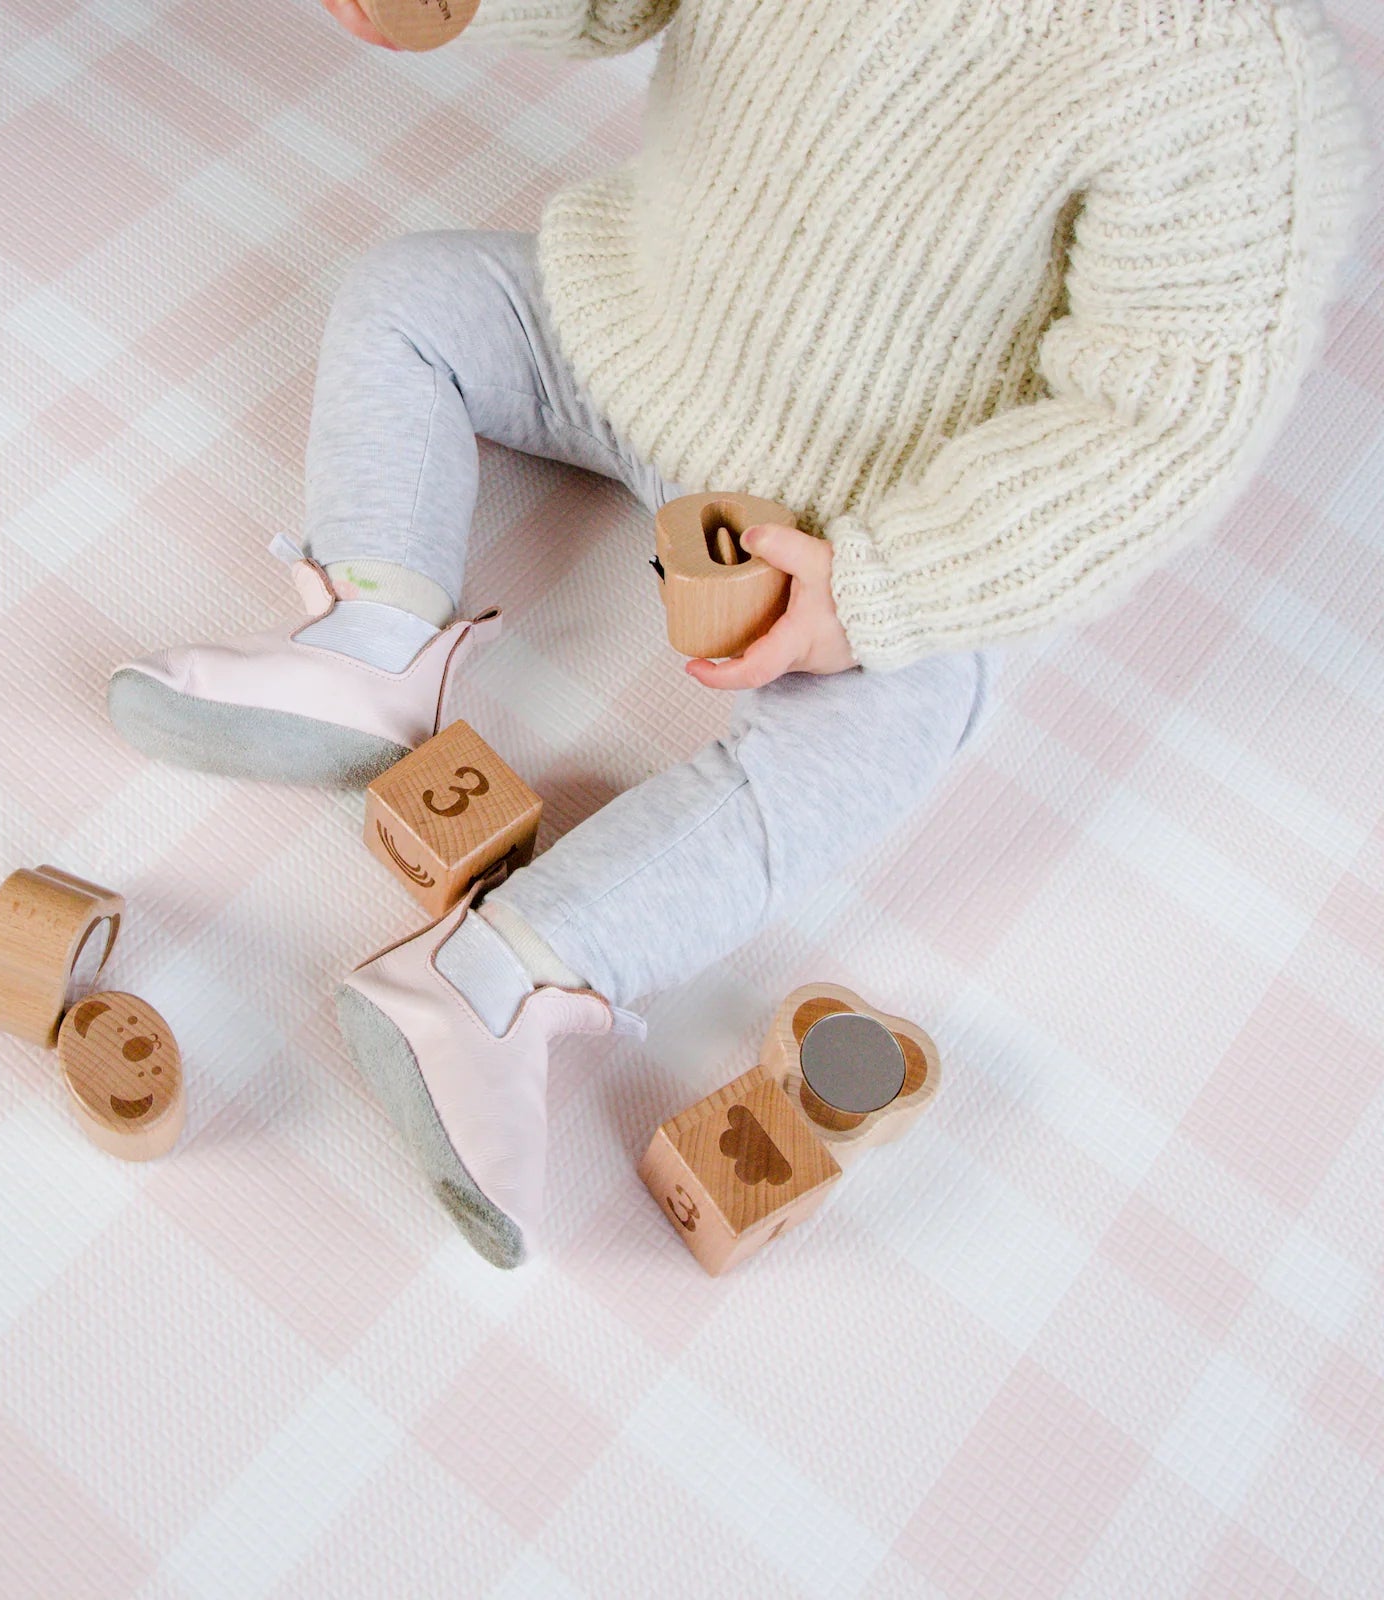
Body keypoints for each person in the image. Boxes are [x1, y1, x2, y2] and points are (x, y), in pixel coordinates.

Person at [107, 0, 1373, 1266]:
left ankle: (507, 973)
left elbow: (1157, 420)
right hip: (638, 332)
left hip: (849, 515)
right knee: (408, 296)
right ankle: (376, 635)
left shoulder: (1222, 76)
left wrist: (879, 586)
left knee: (898, 718)